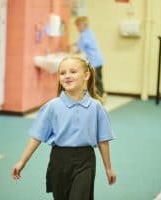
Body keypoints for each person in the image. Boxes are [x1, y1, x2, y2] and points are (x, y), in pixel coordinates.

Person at [11, 57, 116, 200]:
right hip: (59, 161)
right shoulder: (52, 106)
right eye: (62, 73)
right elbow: (37, 136)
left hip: (85, 160)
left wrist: (108, 168)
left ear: (86, 75)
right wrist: (22, 161)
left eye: (73, 71)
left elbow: (103, 140)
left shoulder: (96, 107)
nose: (67, 76)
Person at [72, 16, 105, 98]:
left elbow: (79, 48)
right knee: (98, 80)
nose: (77, 29)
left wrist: (71, 50)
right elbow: (86, 43)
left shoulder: (83, 35)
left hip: (93, 61)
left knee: (94, 80)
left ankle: (98, 97)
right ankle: (101, 95)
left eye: (77, 26)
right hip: (99, 59)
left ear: (82, 25)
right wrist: (75, 44)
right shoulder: (90, 32)